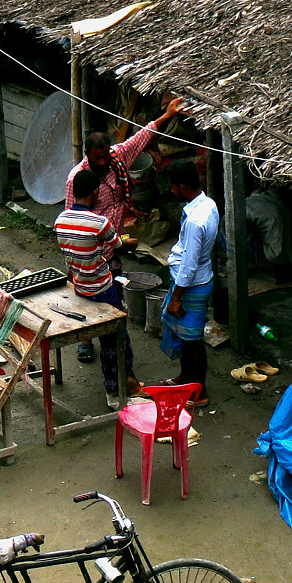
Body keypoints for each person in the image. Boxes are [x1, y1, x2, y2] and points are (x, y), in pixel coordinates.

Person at [63, 95, 188, 362]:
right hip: (88, 250)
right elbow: (72, 220)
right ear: (88, 156)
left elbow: (141, 137)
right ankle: (85, 339)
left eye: (104, 156)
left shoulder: (117, 158)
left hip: (112, 244)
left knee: (112, 295)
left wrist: (167, 115)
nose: (102, 161)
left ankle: (112, 339)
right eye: (97, 158)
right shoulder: (78, 178)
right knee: (84, 294)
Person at [55, 169, 139, 408]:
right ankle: (117, 391)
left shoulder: (60, 220)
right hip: (101, 287)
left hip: (79, 284)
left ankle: (123, 384)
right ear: (94, 193)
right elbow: (118, 245)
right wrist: (130, 242)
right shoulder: (101, 223)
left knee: (109, 337)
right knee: (116, 339)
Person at [159, 159, 219, 404]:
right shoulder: (208, 203)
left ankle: (199, 391)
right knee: (186, 336)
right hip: (197, 280)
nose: (171, 190)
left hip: (192, 286)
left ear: (183, 187)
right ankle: (186, 377)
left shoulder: (195, 221)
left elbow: (189, 265)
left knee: (192, 340)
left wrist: (176, 297)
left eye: (173, 186)